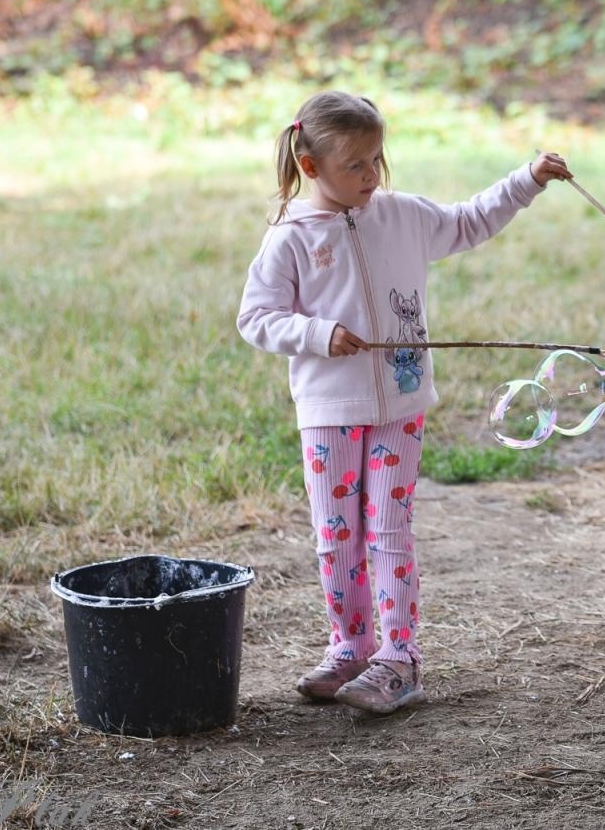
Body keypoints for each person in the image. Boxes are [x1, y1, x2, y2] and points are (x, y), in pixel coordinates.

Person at [237, 90, 572, 712]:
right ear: (311, 166)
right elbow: (256, 318)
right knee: (336, 535)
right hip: (329, 415)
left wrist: (526, 180)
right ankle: (350, 647)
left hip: (401, 406)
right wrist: (318, 334)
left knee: (389, 531)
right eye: (355, 165)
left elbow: (469, 221)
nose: (372, 175)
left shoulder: (402, 216)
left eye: (376, 159)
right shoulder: (289, 238)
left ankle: (399, 658)